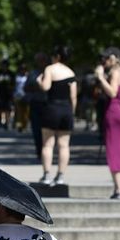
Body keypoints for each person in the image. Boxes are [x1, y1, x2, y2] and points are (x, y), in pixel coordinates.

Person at [95, 47, 120, 199]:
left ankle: (119, 189)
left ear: (116, 59)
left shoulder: (114, 72)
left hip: (113, 112)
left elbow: (112, 92)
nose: (105, 61)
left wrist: (100, 77)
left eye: (108, 58)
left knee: (113, 152)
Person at [36, 46, 76, 186]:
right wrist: (72, 112)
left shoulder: (50, 69)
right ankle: (60, 176)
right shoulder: (71, 72)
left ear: (57, 56)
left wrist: (39, 81)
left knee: (47, 144)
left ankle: (46, 175)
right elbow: (73, 97)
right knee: (64, 145)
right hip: (66, 110)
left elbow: (46, 87)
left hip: (52, 108)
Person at [24, 53, 48, 160]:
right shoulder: (33, 73)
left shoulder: (50, 72)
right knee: (36, 129)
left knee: (47, 129)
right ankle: (39, 150)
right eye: (38, 60)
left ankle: (46, 150)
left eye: (42, 60)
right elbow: (26, 88)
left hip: (47, 104)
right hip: (35, 103)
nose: (40, 63)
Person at [0, 58, 15, 130]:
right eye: (3, 65)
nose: (4, 66)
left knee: (7, 110)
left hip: (8, 95)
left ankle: (6, 123)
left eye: (5, 65)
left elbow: (13, 84)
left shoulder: (11, 74)